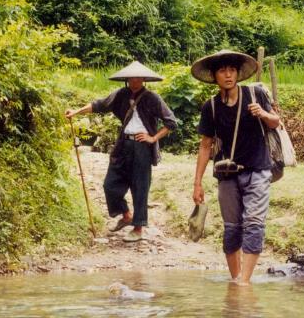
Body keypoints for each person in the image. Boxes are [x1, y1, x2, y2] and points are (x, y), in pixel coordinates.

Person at [190, 50, 280, 285]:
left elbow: (276, 122)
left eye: (232, 70)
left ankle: (244, 282)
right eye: (222, 70)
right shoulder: (210, 107)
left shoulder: (255, 94)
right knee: (231, 228)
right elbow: (205, 146)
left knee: (254, 224)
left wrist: (263, 114)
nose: (228, 75)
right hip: (227, 174)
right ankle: (236, 278)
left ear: (238, 74)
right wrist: (197, 183)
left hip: (258, 170)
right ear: (214, 76)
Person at [65, 61, 177, 242]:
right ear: (126, 79)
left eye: (138, 77)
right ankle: (126, 215)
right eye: (132, 77)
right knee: (110, 184)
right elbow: (98, 105)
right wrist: (76, 112)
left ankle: (139, 228)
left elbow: (171, 122)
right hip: (123, 145)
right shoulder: (120, 95)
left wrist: (153, 138)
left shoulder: (153, 98)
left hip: (142, 147)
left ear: (144, 79)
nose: (135, 80)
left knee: (140, 186)